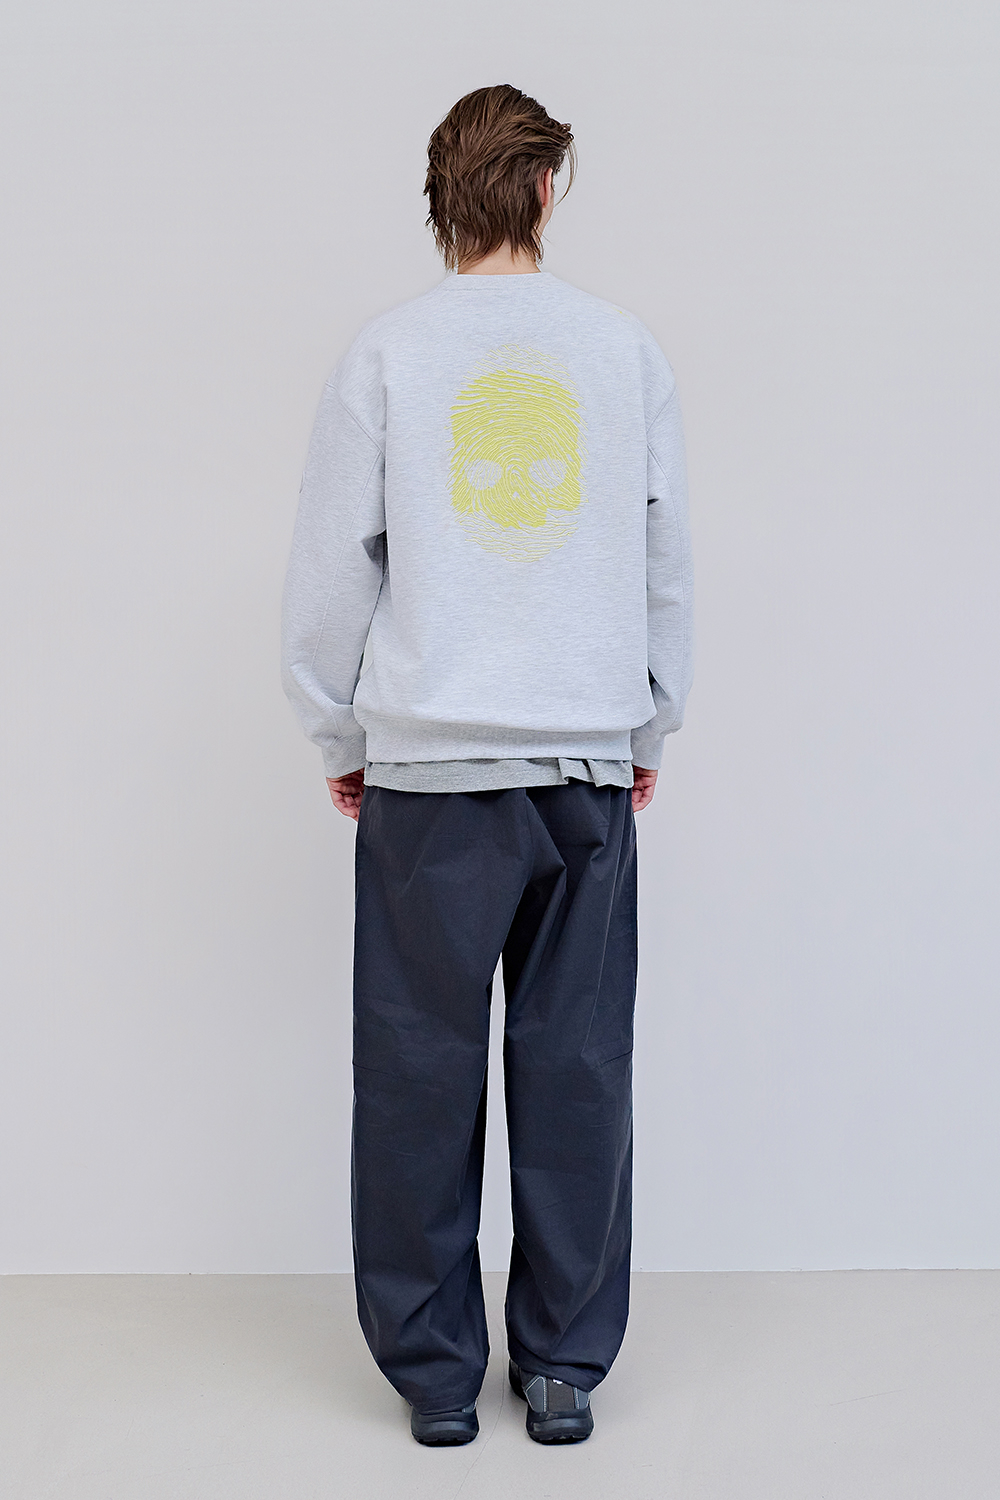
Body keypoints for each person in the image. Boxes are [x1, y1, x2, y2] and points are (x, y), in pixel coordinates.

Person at [280, 83, 693, 1447]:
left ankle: (436, 1377)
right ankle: (564, 1365)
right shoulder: (622, 351)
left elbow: (330, 573)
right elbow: (663, 561)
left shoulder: (387, 355)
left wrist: (344, 734)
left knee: (417, 1072)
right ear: (547, 190)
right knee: (577, 1068)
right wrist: (645, 723)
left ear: (439, 198)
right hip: (579, 768)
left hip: (431, 783)